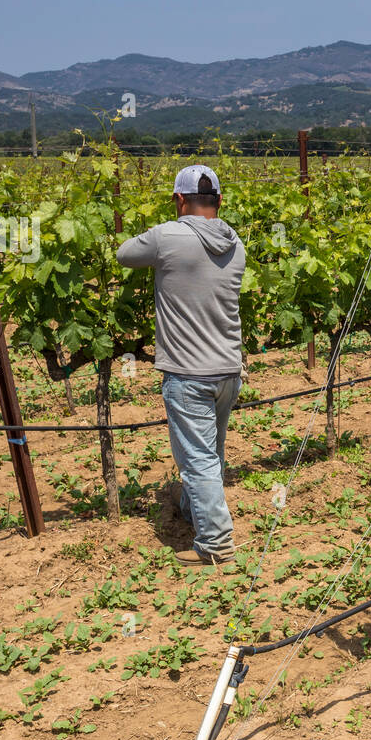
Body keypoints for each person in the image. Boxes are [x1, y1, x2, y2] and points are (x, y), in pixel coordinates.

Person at [117, 165, 246, 566]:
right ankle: (194, 511)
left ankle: (215, 544)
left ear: (178, 200)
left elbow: (123, 255)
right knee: (211, 452)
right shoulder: (235, 241)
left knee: (199, 458)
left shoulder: (167, 235)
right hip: (228, 371)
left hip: (189, 374)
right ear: (219, 201)